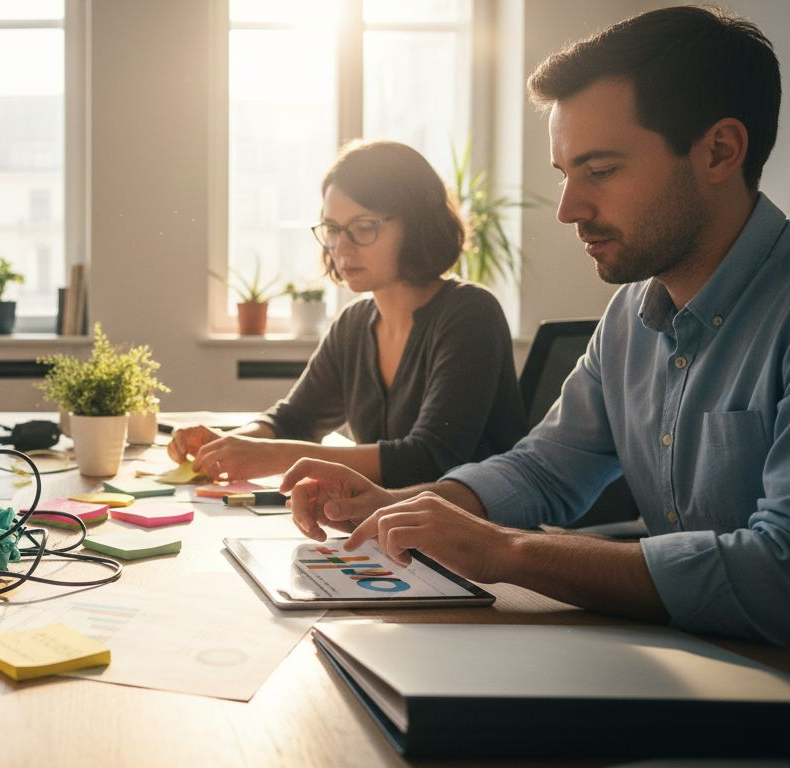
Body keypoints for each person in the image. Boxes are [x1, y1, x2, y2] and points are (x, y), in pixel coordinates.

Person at [283, 6, 789, 645]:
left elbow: (779, 572)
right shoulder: (631, 316)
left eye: (600, 171)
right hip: (695, 657)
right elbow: (545, 468)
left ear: (719, 151)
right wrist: (403, 506)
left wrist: (506, 550)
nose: (569, 209)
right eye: (566, 174)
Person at [169, 140, 526, 488]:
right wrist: (225, 445)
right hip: (392, 531)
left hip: (475, 535)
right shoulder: (353, 324)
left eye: (363, 227)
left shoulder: (470, 313)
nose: (341, 246)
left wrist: (273, 455)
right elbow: (293, 420)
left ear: (418, 224)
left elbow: (429, 459)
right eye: (333, 229)